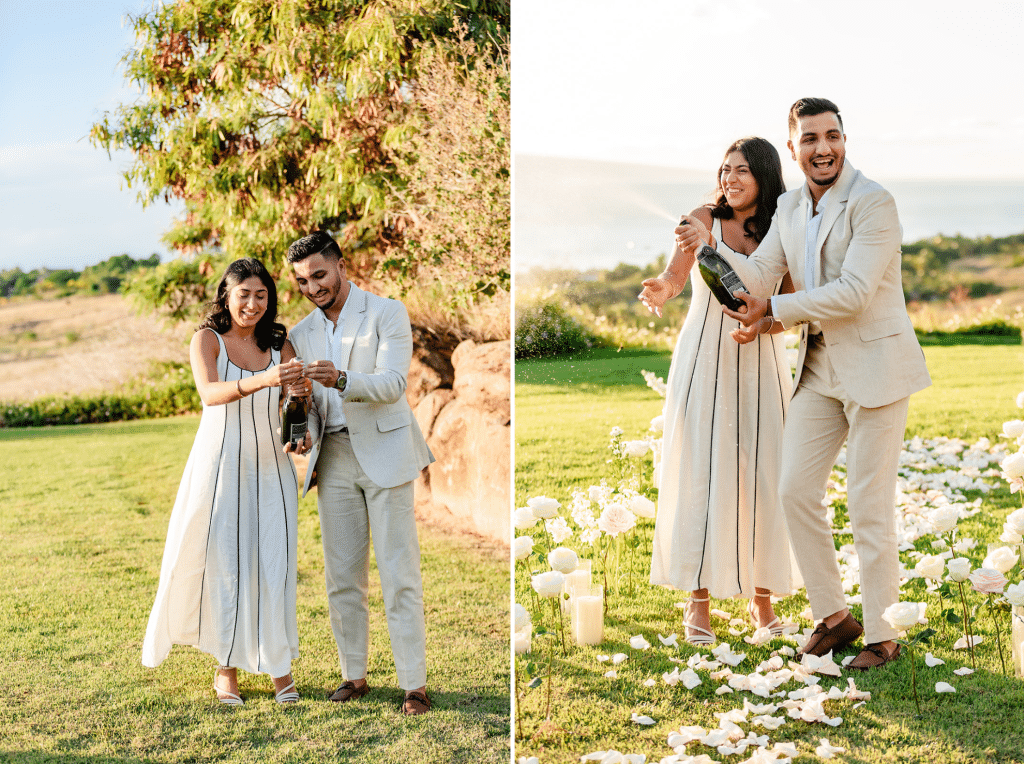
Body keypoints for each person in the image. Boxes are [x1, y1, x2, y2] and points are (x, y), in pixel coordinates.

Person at [677, 98, 932, 670]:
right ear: (792, 148)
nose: (824, 148)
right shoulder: (790, 207)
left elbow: (854, 292)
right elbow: (760, 273)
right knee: (793, 490)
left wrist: (776, 308)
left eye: (833, 136)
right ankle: (836, 617)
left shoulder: (874, 203)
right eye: (811, 139)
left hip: (879, 371)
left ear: (844, 140)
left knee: (868, 506)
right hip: (818, 371)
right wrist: (707, 248)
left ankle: (883, 636)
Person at [643, 137, 796, 645]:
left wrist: (763, 326)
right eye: (725, 169)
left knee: (763, 472)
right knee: (702, 470)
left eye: (742, 171)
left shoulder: (785, 227)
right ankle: (698, 603)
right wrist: (661, 288)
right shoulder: (703, 217)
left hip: (761, 362)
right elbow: (675, 275)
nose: (730, 179)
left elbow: (788, 309)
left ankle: (762, 601)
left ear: (765, 178)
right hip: (705, 357)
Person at [142, 257, 308, 706]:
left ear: (269, 298)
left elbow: (294, 399)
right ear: (226, 296)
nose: (252, 304)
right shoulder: (207, 339)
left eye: (261, 295)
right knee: (225, 566)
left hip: (272, 468)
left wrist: (300, 426)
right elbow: (210, 394)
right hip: (219, 468)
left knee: (275, 565)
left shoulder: (280, 342)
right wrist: (266, 380)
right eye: (243, 295)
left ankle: (280, 670)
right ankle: (225, 670)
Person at [285, 231, 435, 715]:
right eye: (303, 281)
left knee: (399, 574)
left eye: (319, 275)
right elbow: (308, 404)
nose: (312, 287)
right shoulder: (301, 333)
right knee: (342, 576)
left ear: (342, 266)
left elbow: (392, 384)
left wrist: (342, 378)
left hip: (387, 455)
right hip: (334, 460)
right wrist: (303, 427)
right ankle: (355, 675)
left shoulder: (387, 312)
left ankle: (414, 684)